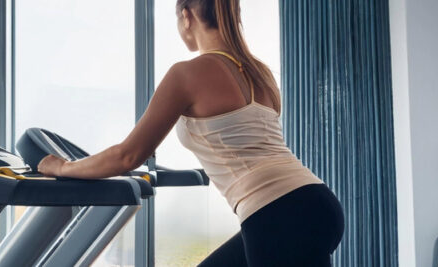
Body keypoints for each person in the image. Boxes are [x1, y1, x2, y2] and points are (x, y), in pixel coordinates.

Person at [35, 0, 345, 265]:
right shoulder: (259, 72)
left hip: (277, 214)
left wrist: (62, 167)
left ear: (187, 16)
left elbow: (127, 155)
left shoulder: (186, 74)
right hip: (315, 202)